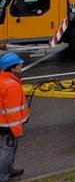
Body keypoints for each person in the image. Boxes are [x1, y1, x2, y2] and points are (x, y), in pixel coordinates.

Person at [0, 53, 27, 181]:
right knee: (8, 150)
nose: (21, 65)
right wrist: (17, 131)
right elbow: (13, 113)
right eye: (19, 64)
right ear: (12, 68)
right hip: (8, 126)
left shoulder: (3, 79)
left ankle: (8, 170)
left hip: (3, 123)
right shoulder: (12, 86)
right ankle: (4, 177)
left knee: (8, 149)